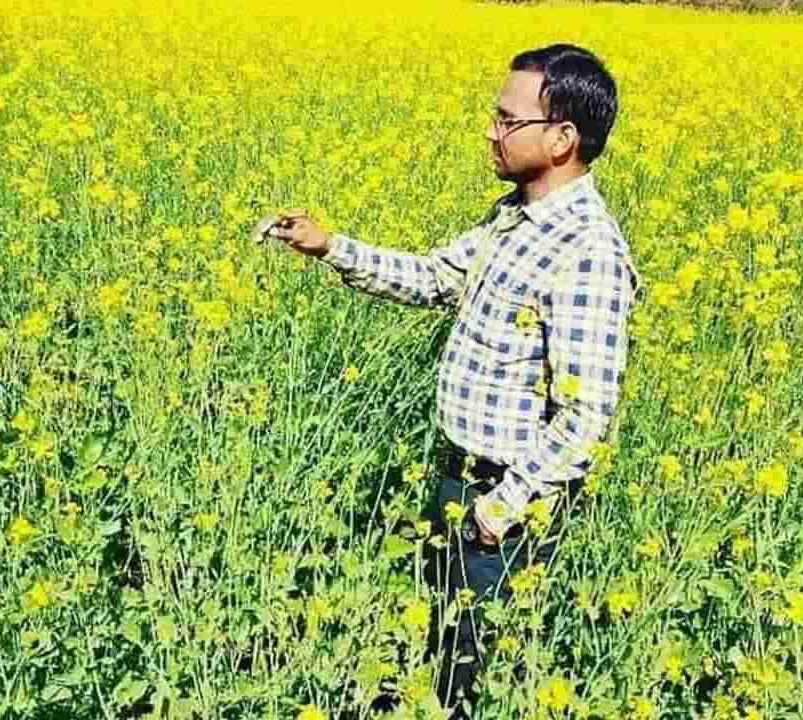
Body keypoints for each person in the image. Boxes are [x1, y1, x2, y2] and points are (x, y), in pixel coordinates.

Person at [265, 43, 640, 718]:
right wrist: (330, 247)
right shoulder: (513, 218)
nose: (490, 131)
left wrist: (500, 509)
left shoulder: (588, 251)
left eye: (507, 120)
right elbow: (438, 277)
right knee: (437, 652)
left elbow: (585, 418)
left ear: (562, 138)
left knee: (469, 676)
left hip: (507, 502)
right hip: (460, 476)